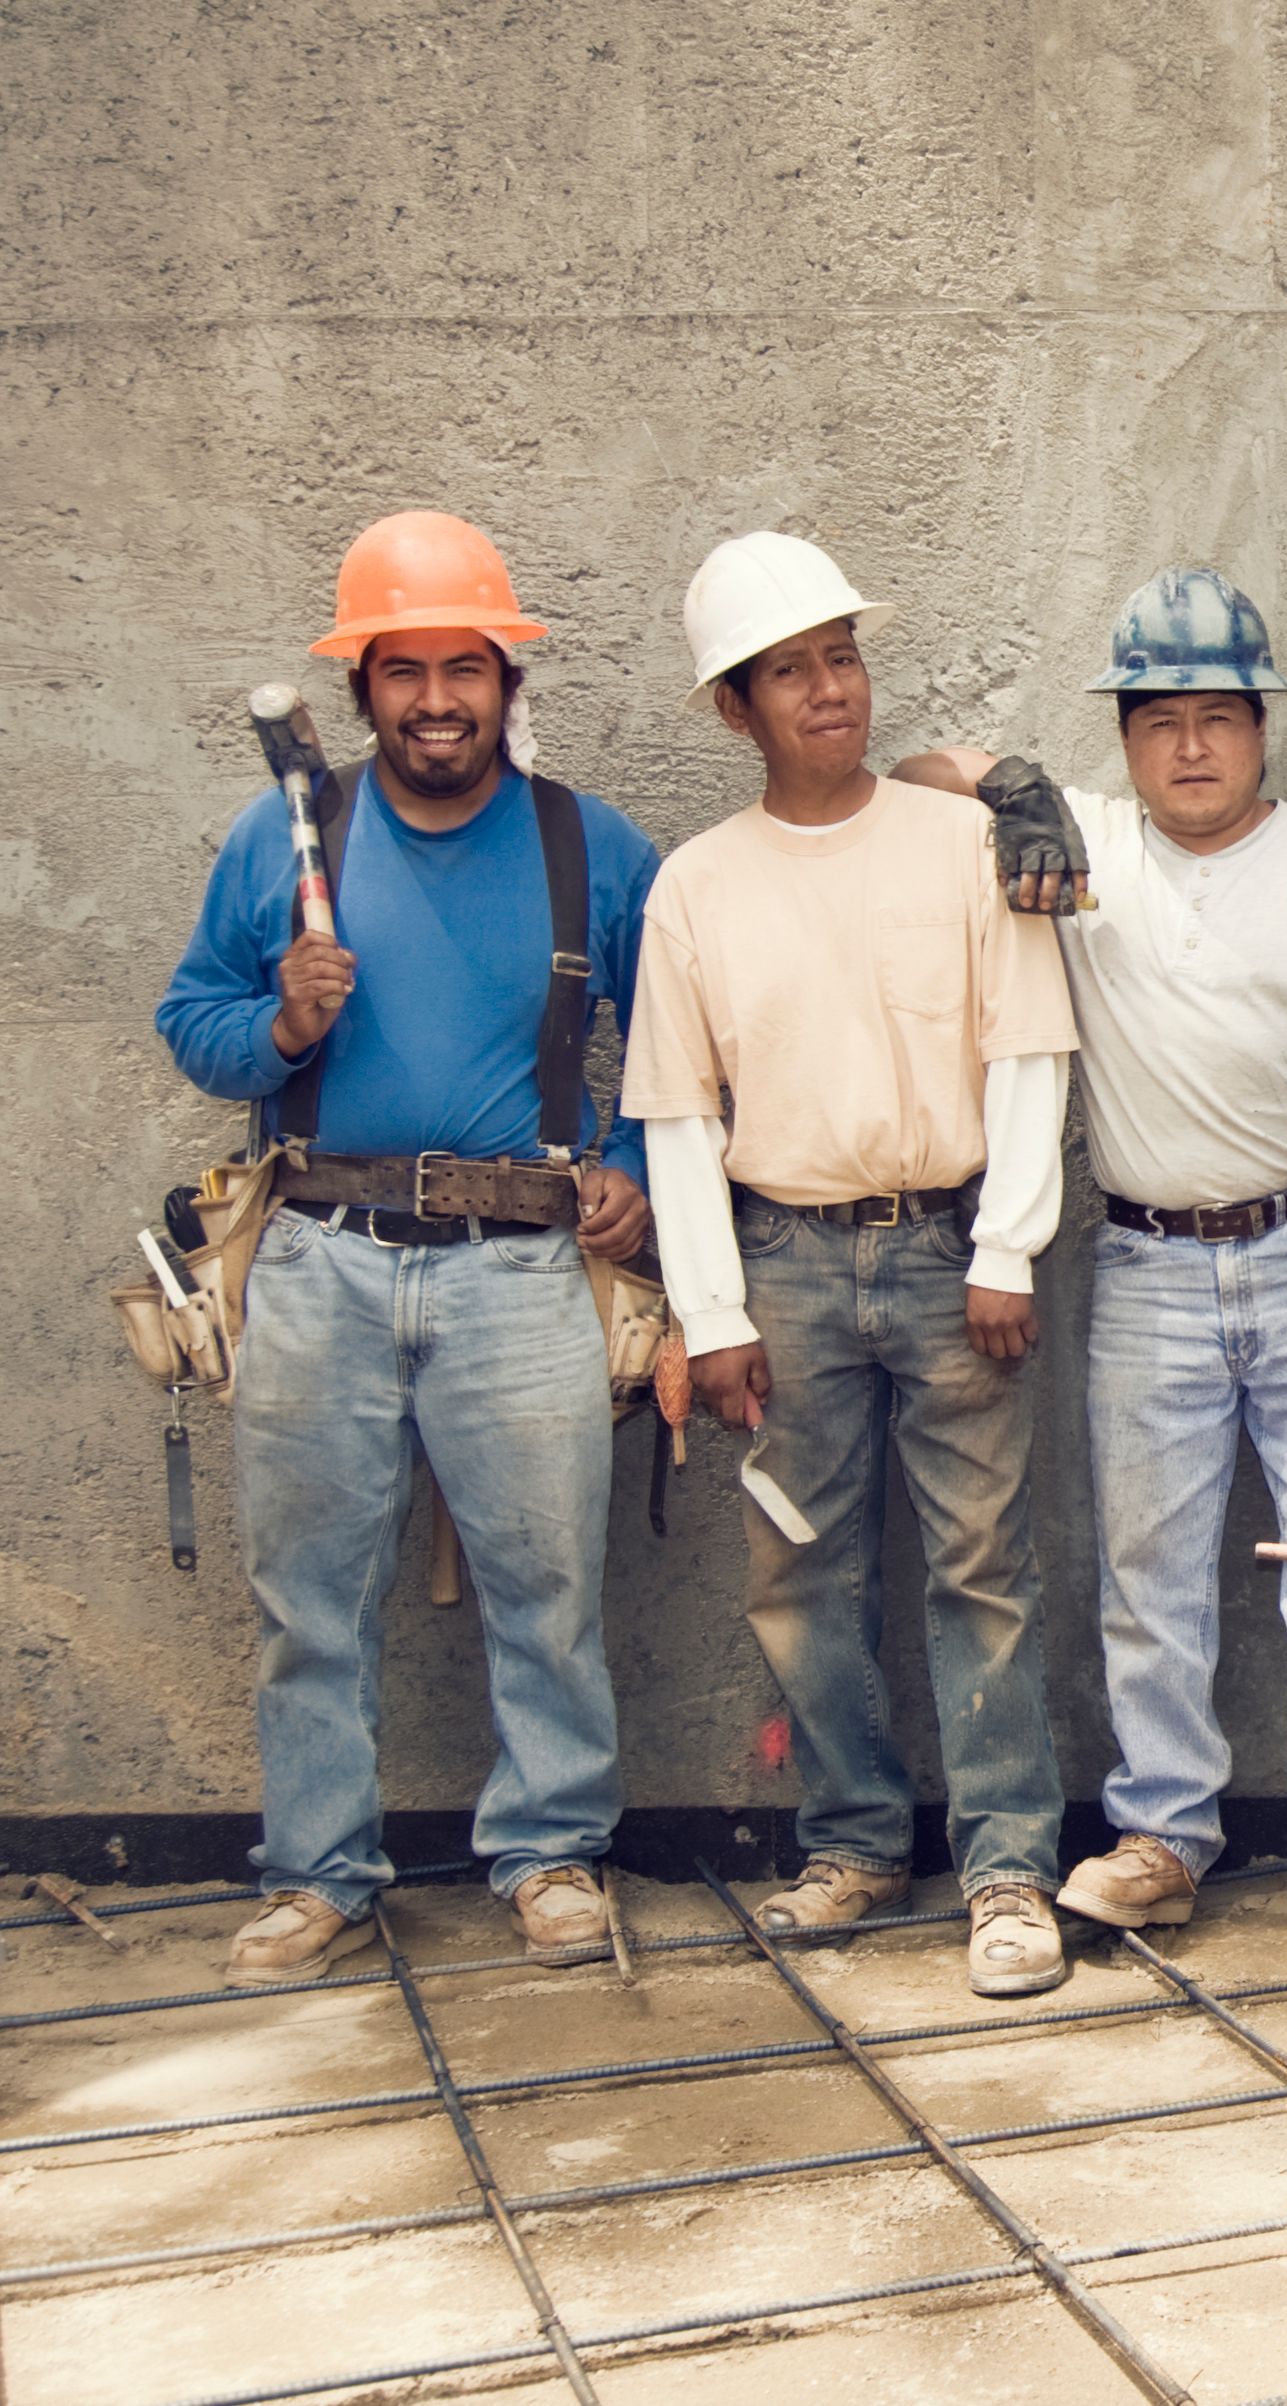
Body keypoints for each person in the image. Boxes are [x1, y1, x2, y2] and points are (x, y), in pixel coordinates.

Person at [158, 511, 658, 1986]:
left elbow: (685, 1048)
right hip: (319, 1256)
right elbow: (191, 1017)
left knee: (548, 1589)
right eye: (404, 671)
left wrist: (631, 1170)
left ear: (507, 680)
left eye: (465, 668)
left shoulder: (588, 846)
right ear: (362, 687)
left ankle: (551, 1852)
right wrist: (280, 1027)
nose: (437, 701)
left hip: (519, 1268)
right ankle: (319, 1874)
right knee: (307, 1599)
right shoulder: (283, 835)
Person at [895, 566, 1287, 1939]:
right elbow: (908, 778)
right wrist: (1011, 786)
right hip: (1143, 1264)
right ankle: (1163, 1830)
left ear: (1262, 725)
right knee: (1149, 1566)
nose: (1190, 746)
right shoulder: (1085, 849)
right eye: (1158, 720)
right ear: (1124, 738)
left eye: (1218, 716)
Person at [624, 530, 1082, 1998]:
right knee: (800, 1572)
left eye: (843, 657)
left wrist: (1008, 1244)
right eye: (790, 671)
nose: (830, 689)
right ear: (734, 707)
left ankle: (1007, 1870)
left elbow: (1028, 1049)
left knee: (982, 1566)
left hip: (953, 1253)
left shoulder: (957, 844)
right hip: (782, 1263)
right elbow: (678, 1114)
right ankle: (854, 1845)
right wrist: (710, 1311)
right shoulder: (698, 886)